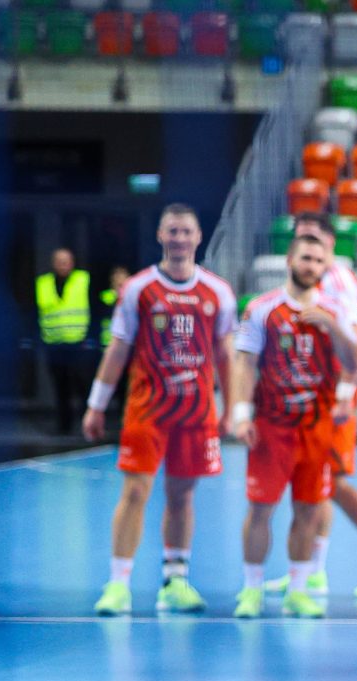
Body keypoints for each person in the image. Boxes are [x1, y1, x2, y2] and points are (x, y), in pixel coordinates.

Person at [84, 204, 236, 617]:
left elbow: (226, 355)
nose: (179, 238)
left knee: (182, 495)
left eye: (186, 231)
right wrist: (96, 405)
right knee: (135, 491)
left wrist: (232, 407)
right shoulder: (139, 289)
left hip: (196, 412)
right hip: (147, 410)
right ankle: (118, 584)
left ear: (198, 237)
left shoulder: (218, 292)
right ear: (160, 235)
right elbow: (118, 349)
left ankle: (176, 581)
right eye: (172, 231)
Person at [258, 213, 357, 603]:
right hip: (304, 397)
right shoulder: (297, 283)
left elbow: (355, 341)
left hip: (331, 395)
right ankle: (312, 571)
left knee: (330, 482)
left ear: (331, 244)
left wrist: (344, 393)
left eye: (316, 238)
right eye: (302, 238)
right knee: (317, 483)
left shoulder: (339, 281)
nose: (310, 246)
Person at [227, 234, 357, 619]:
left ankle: (298, 590)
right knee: (261, 509)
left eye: (319, 261)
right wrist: (241, 413)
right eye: (305, 258)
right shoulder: (262, 309)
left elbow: (353, 362)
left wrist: (332, 326)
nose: (311, 266)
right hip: (272, 427)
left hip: (316, 427)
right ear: (290, 260)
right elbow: (245, 363)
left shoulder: (335, 308)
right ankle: (251, 589)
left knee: (309, 510)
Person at [36, 247, 92, 436]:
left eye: (66, 261)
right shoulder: (43, 283)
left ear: (72, 263)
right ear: (53, 263)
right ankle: (64, 426)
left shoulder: (83, 279)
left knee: (83, 386)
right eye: (59, 261)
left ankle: (87, 425)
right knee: (61, 387)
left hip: (79, 344)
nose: (63, 265)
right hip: (54, 345)